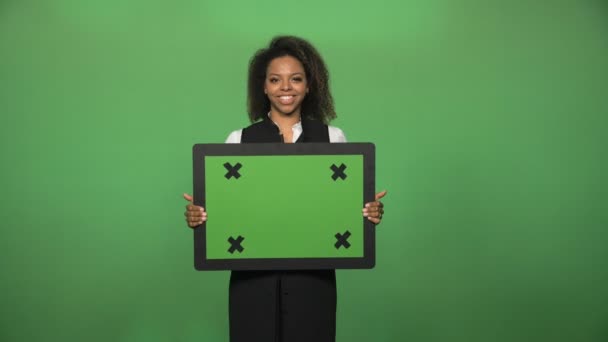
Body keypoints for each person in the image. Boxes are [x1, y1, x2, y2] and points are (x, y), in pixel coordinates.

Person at [183, 35, 387, 342]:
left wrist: (367, 212)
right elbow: (226, 210)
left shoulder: (333, 137)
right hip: (252, 282)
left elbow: (341, 209)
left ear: (308, 85)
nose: (286, 88)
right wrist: (199, 216)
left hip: (313, 281)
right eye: (275, 80)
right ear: (264, 86)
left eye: (295, 79)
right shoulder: (238, 140)